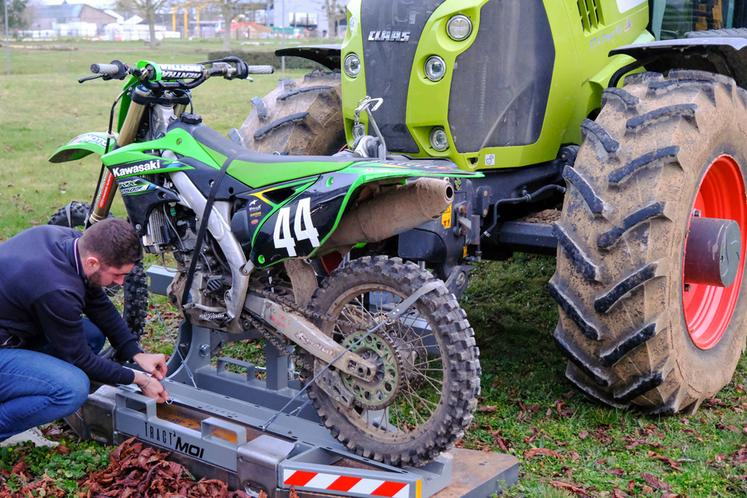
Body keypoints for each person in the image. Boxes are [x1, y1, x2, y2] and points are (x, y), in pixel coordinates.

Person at [0, 218, 169, 444]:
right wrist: (141, 379)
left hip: (13, 331)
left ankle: (24, 390)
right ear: (92, 262)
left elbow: (98, 304)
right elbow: (80, 359)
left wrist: (135, 352)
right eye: (117, 274)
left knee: (92, 335)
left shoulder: (67, 240)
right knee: (72, 388)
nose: (120, 283)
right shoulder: (55, 288)